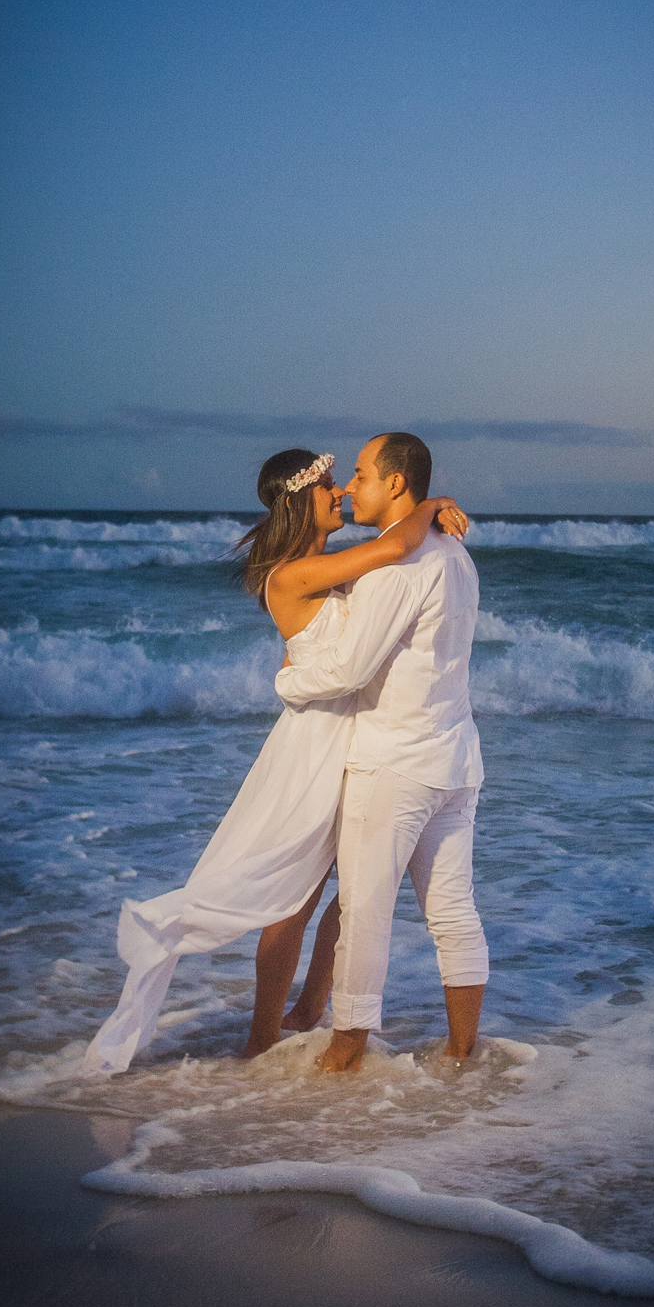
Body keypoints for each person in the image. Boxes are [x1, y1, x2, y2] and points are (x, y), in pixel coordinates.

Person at [83, 446, 468, 1075]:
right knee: (296, 895)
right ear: (301, 501)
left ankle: (311, 1006)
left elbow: (390, 584)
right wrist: (427, 504)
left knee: (362, 890)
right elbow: (396, 550)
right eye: (327, 490)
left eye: (346, 485)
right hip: (315, 745)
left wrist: (426, 513)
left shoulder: (330, 566)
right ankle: (262, 1037)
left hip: (365, 736)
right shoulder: (290, 575)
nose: (341, 493)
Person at [274, 431, 488, 1073]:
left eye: (362, 473)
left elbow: (348, 669)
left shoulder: (393, 567)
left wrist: (287, 679)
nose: (350, 486)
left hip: (394, 764)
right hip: (455, 759)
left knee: (363, 911)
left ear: (396, 483)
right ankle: (461, 1053)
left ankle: (345, 1053)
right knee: (453, 910)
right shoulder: (455, 554)